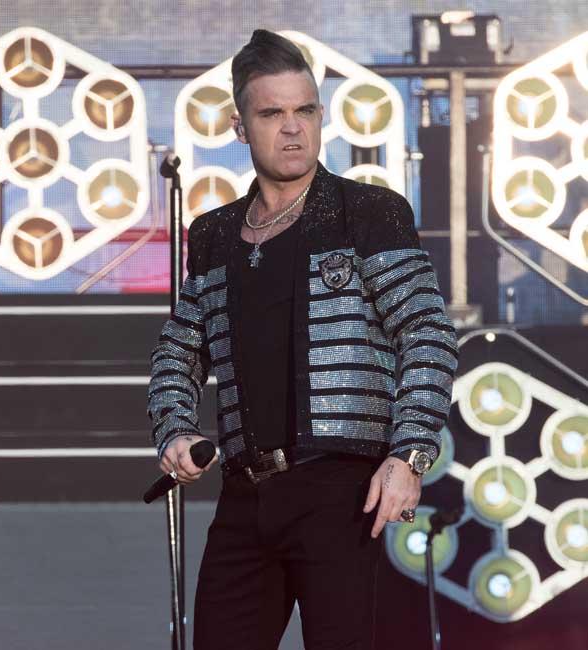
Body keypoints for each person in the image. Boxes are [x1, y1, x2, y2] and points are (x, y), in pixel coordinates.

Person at [147, 29, 458, 650]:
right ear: (240, 127)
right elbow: (177, 352)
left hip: (340, 489)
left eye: (306, 110)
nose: (293, 129)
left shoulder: (366, 212)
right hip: (246, 493)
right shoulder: (214, 235)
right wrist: (176, 429)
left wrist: (409, 456)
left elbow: (427, 333)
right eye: (272, 114)